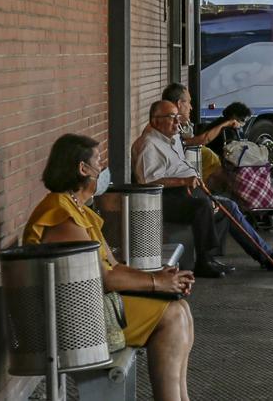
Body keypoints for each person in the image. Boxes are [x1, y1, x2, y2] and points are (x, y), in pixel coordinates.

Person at [23, 134, 196, 401]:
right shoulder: (61, 215)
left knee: (180, 308)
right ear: (83, 169)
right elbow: (102, 278)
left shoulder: (78, 209)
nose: (102, 170)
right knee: (171, 317)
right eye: (99, 162)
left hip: (92, 310)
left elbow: (114, 265)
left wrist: (161, 277)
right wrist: (156, 284)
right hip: (75, 324)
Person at [134, 100, 273, 275]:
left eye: (177, 116)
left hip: (187, 192)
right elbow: (146, 181)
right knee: (202, 206)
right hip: (163, 199)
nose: (177, 122)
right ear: (155, 120)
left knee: (229, 206)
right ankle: (204, 261)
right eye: (171, 117)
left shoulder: (172, 136)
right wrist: (183, 182)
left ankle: (267, 256)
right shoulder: (148, 145)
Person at [163, 82, 243, 150]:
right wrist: (226, 124)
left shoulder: (179, 123)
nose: (191, 107)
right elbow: (203, 139)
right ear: (180, 103)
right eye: (188, 102)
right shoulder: (170, 126)